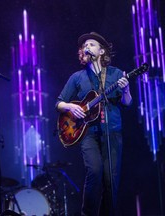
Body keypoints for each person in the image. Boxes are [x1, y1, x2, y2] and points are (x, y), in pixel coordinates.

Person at [56, 32, 132, 215]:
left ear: (101, 50)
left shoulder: (115, 73)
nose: (86, 47)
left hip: (112, 131)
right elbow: (59, 102)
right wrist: (70, 108)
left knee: (110, 181)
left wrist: (127, 90)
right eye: (84, 46)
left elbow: (126, 103)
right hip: (88, 132)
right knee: (95, 172)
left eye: (91, 44)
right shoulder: (78, 76)